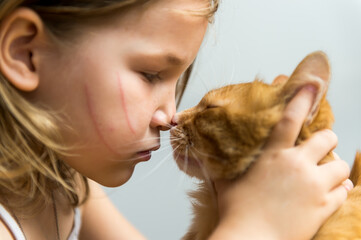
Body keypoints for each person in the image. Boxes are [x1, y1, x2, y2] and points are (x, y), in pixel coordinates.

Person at [0, 0, 352, 239]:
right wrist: (257, 227)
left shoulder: (64, 183)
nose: (171, 116)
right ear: (27, 53)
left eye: (178, 80)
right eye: (151, 74)